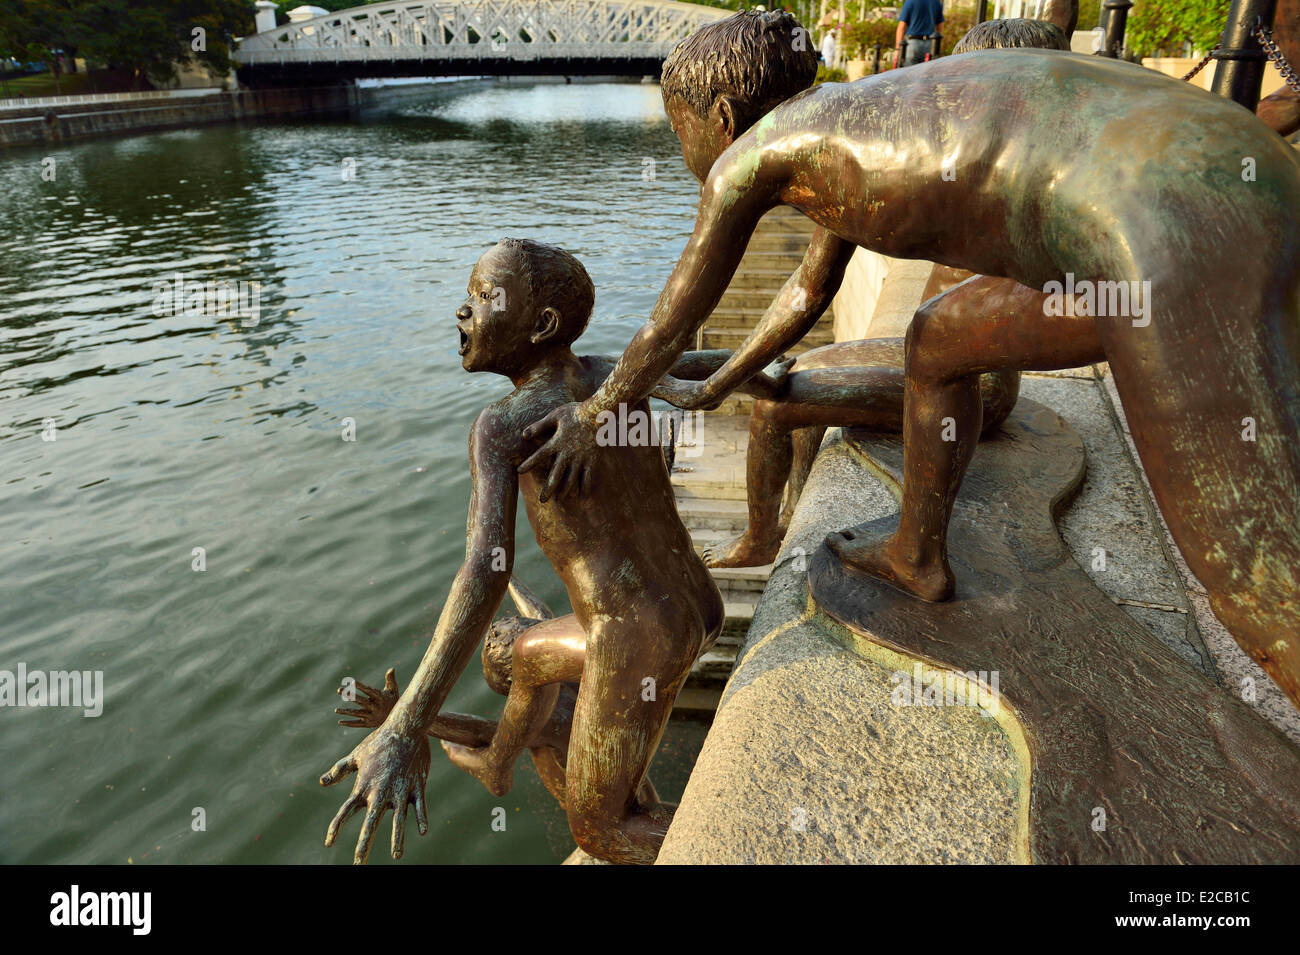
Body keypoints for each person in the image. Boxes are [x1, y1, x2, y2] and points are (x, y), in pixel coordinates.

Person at [519, 11, 1300, 709]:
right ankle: (916, 554)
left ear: (720, 118)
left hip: (1164, 224)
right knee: (939, 339)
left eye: (677, 126)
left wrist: (594, 413)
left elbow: (670, 318)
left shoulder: (749, 158)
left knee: (1252, 567)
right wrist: (722, 380)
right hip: (1222, 161)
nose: (681, 145)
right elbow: (807, 291)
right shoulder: (845, 129)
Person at [319, 239, 728, 864]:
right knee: (547, 676)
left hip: (634, 632)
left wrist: (404, 728)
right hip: (697, 602)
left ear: (539, 325)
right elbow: (708, 370)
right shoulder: (614, 376)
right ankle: (500, 763)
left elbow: (485, 571)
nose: (463, 310)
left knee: (603, 831)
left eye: (483, 297)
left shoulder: (502, 425)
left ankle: (755, 840)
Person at [895, 0, 944, 67]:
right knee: (927, 73)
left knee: (910, 73)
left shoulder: (910, 2)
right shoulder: (936, 2)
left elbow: (901, 28)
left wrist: (897, 49)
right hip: (930, 44)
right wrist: (937, 45)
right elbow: (940, 26)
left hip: (912, 43)